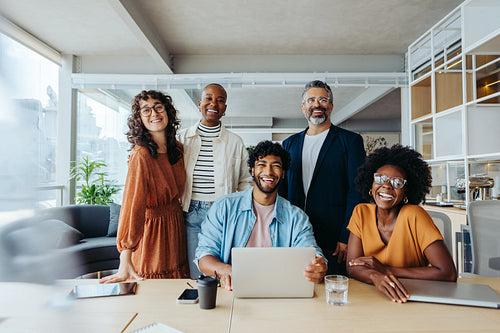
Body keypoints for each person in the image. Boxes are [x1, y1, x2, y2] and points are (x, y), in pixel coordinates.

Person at [195, 140, 327, 290]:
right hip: (233, 290)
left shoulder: (297, 217)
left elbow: (311, 251)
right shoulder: (224, 207)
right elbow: (204, 257)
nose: (269, 172)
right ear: (252, 170)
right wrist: (227, 271)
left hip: (280, 292)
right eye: (262, 165)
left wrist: (319, 266)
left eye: (276, 166)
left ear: (283, 173)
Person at [346, 144, 457, 303]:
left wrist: (385, 270)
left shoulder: (415, 216)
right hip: (372, 297)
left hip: (413, 297)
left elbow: (448, 273)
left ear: (406, 192)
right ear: (371, 185)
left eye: (397, 183)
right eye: (380, 179)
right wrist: (375, 276)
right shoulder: (360, 213)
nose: (387, 186)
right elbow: (352, 267)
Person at [101, 90, 189, 283]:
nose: (154, 114)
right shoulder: (141, 155)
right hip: (153, 233)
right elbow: (133, 205)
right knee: (154, 287)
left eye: (158, 107)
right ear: (139, 119)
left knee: (177, 287)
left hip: (175, 226)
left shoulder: (178, 149)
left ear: (168, 112)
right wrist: (126, 253)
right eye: (146, 110)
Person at [279, 80, 366, 275]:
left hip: (334, 238)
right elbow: (282, 193)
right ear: (303, 107)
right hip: (296, 236)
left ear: (331, 106)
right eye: (311, 100)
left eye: (323, 99)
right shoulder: (288, 144)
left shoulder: (350, 142)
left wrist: (347, 236)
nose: (316, 104)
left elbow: (357, 192)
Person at [178, 83, 253, 279]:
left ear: (225, 108)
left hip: (223, 213)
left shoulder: (235, 142)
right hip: (190, 213)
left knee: (225, 269)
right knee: (199, 272)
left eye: (220, 101)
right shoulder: (182, 138)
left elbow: (246, 182)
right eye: (209, 98)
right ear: (200, 103)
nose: (214, 104)